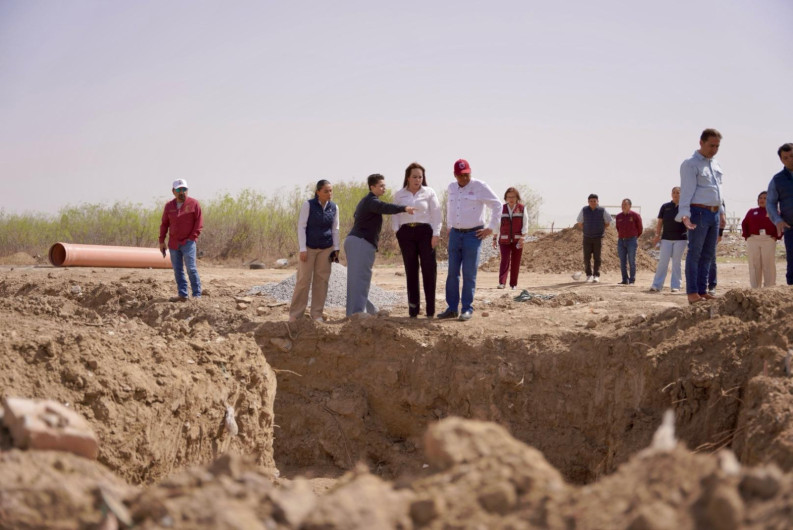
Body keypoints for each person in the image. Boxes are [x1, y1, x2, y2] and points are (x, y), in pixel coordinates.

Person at [437, 159, 501, 321]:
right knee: (452, 273)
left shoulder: (480, 186)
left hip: (473, 235)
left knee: (469, 273)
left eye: (466, 174)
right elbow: (450, 208)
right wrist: (450, 227)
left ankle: (467, 308)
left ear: (470, 172)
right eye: (460, 175)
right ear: (455, 175)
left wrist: (491, 228)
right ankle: (452, 308)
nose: (464, 178)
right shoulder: (451, 188)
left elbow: (497, 205)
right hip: (455, 235)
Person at [345, 174, 415, 316]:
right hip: (360, 242)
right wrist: (404, 208)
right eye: (381, 186)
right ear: (372, 187)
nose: (384, 188)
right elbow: (385, 207)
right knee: (361, 278)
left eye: (384, 185)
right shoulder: (371, 201)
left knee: (357, 279)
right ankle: (357, 313)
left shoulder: (365, 201)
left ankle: (368, 311)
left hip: (356, 241)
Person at [676, 128, 725, 304]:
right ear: (701, 143)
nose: (714, 149)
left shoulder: (716, 164)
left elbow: (718, 191)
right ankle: (692, 293)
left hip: (714, 213)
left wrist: (722, 212)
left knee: (708, 255)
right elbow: (686, 192)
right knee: (695, 253)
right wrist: (685, 215)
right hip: (698, 213)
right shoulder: (690, 164)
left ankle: (703, 291)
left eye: (717, 146)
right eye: (711, 145)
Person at [392, 163, 442, 318]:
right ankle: (413, 309)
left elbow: (437, 214)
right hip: (406, 233)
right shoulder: (399, 194)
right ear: (408, 177)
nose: (417, 179)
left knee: (429, 270)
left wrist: (436, 234)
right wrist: (397, 232)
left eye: (420, 177)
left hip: (425, 233)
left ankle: (430, 310)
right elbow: (395, 215)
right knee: (411, 270)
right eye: (414, 177)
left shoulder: (429, 192)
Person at [288, 180, 340, 322]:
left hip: (326, 248)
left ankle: (317, 314)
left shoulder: (334, 207)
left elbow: (335, 229)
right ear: (318, 192)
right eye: (326, 191)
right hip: (309, 247)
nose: (329, 194)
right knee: (303, 280)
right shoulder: (308, 205)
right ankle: (295, 314)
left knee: (321, 281)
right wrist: (302, 248)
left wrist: (336, 249)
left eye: (331, 191)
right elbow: (301, 227)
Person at [159, 179, 203, 302]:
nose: (182, 192)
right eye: (179, 190)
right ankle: (183, 294)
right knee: (178, 270)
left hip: (188, 243)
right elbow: (164, 224)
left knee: (191, 268)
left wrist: (192, 238)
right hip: (173, 243)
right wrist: (161, 240)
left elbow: (199, 223)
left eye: (184, 189)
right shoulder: (169, 206)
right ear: (173, 191)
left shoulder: (194, 204)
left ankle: (196, 295)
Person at [765, 143, 793, 285]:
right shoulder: (777, 180)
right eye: (785, 158)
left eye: (792, 156)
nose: (790, 160)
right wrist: (777, 220)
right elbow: (770, 203)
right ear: (781, 160)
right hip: (791, 228)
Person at [649, 187, 686, 292]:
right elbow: (660, 222)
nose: (675, 194)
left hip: (681, 239)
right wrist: (657, 235)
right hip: (666, 238)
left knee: (676, 262)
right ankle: (656, 285)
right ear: (671, 194)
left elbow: (688, 221)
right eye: (674, 193)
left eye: (678, 193)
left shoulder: (685, 207)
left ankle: (675, 286)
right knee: (663, 262)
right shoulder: (665, 207)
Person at [742, 191, 780, 288]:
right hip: (754, 239)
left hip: (768, 239)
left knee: (768, 264)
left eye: (765, 198)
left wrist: (776, 236)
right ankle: (755, 288)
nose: (762, 200)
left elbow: (780, 225)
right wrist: (747, 236)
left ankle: (769, 287)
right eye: (760, 198)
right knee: (754, 264)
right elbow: (744, 223)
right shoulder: (752, 211)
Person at [492, 187, 528, 290]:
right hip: (504, 240)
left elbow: (525, 224)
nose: (511, 199)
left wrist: (523, 237)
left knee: (516, 262)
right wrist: (494, 238)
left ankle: (513, 284)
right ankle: (502, 283)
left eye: (513, 196)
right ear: (506, 198)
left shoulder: (522, 208)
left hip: (518, 240)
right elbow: (496, 225)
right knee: (505, 260)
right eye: (508, 197)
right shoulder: (501, 209)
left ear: (517, 197)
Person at [575, 194, 612, 283]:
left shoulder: (602, 210)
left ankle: (596, 275)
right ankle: (589, 275)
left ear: (597, 201)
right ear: (588, 202)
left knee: (597, 257)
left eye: (594, 201)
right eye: (591, 201)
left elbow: (607, 222)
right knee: (586, 257)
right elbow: (580, 222)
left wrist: (600, 229)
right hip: (587, 237)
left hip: (598, 237)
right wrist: (587, 229)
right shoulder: (584, 210)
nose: (593, 203)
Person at [614, 198, 643, 285]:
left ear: (630, 206)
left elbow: (640, 228)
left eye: (625, 204)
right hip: (621, 241)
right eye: (622, 204)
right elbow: (618, 228)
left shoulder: (635, 215)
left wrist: (634, 237)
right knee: (622, 261)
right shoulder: (618, 216)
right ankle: (624, 279)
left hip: (631, 241)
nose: (623, 206)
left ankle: (632, 280)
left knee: (631, 260)